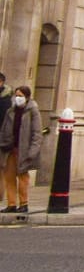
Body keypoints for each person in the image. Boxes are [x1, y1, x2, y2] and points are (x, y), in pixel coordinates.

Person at [0, 86, 43, 214]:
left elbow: (37, 133)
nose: (17, 98)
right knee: (9, 177)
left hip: (24, 150)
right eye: (16, 95)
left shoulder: (33, 111)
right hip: (10, 149)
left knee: (23, 177)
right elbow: (4, 129)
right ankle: (11, 204)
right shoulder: (10, 111)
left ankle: (24, 204)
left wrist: (32, 151)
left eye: (20, 96)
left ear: (27, 97)